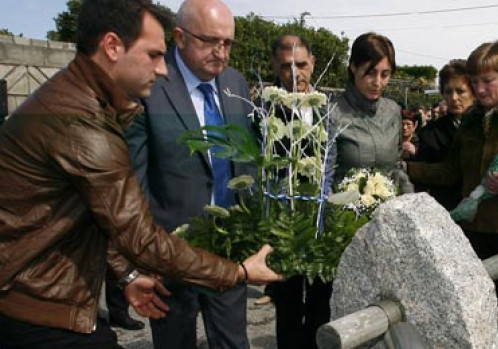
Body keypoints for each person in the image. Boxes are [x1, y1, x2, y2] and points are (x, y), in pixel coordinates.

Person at [0, 1, 280, 347]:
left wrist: (124, 272)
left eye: (228, 43)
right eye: (152, 55)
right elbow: (136, 228)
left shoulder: (77, 100)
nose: (162, 69)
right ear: (113, 46)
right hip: (40, 308)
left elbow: (96, 210)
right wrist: (238, 272)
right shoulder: (83, 123)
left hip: (43, 298)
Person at [405, 40, 498, 338]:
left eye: (487, 81)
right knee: (472, 310)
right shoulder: (472, 120)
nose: (480, 89)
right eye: (475, 82)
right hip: (471, 231)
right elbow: (452, 171)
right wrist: (406, 169)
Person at [125, 1, 258, 347]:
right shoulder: (149, 84)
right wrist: (143, 257)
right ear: (180, 37)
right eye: (210, 41)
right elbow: (132, 181)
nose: (221, 52)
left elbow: (245, 162)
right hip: (169, 255)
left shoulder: (235, 84)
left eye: (228, 43)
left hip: (229, 251)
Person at [262, 34, 335, 349]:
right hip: (283, 227)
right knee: (288, 307)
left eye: (301, 64)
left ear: (313, 63)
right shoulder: (263, 110)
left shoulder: (329, 110)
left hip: (321, 225)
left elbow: (333, 160)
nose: (295, 73)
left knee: (322, 304)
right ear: (275, 67)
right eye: (286, 66)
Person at [330, 32, 413, 193]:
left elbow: (397, 169)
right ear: (353, 67)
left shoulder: (393, 110)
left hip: (388, 213)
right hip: (342, 213)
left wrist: (411, 201)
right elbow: (324, 177)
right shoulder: (331, 112)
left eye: (385, 74)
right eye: (370, 73)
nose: (378, 82)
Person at [414, 59, 473, 210]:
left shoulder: (487, 127)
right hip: (446, 212)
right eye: (448, 91)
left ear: (474, 91)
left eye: (460, 91)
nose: (453, 98)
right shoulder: (430, 133)